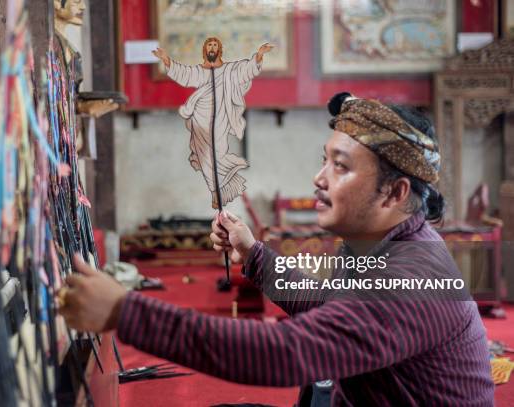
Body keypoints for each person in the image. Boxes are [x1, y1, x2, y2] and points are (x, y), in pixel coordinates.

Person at [58, 93, 494, 406]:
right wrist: (254, 255)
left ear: (394, 193)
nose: (318, 179)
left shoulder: (411, 277)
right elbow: (330, 310)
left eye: (340, 167)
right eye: (324, 160)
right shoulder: (381, 246)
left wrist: (126, 313)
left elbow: (287, 353)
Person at [152, 38, 273, 208]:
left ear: (220, 50)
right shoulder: (199, 71)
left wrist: (259, 55)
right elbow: (184, 74)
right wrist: (165, 59)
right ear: (204, 50)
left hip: (221, 116)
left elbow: (246, 70)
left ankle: (221, 188)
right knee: (205, 155)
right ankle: (215, 192)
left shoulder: (229, 70)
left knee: (219, 151)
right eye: (209, 45)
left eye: (215, 45)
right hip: (200, 116)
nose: (212, 48)